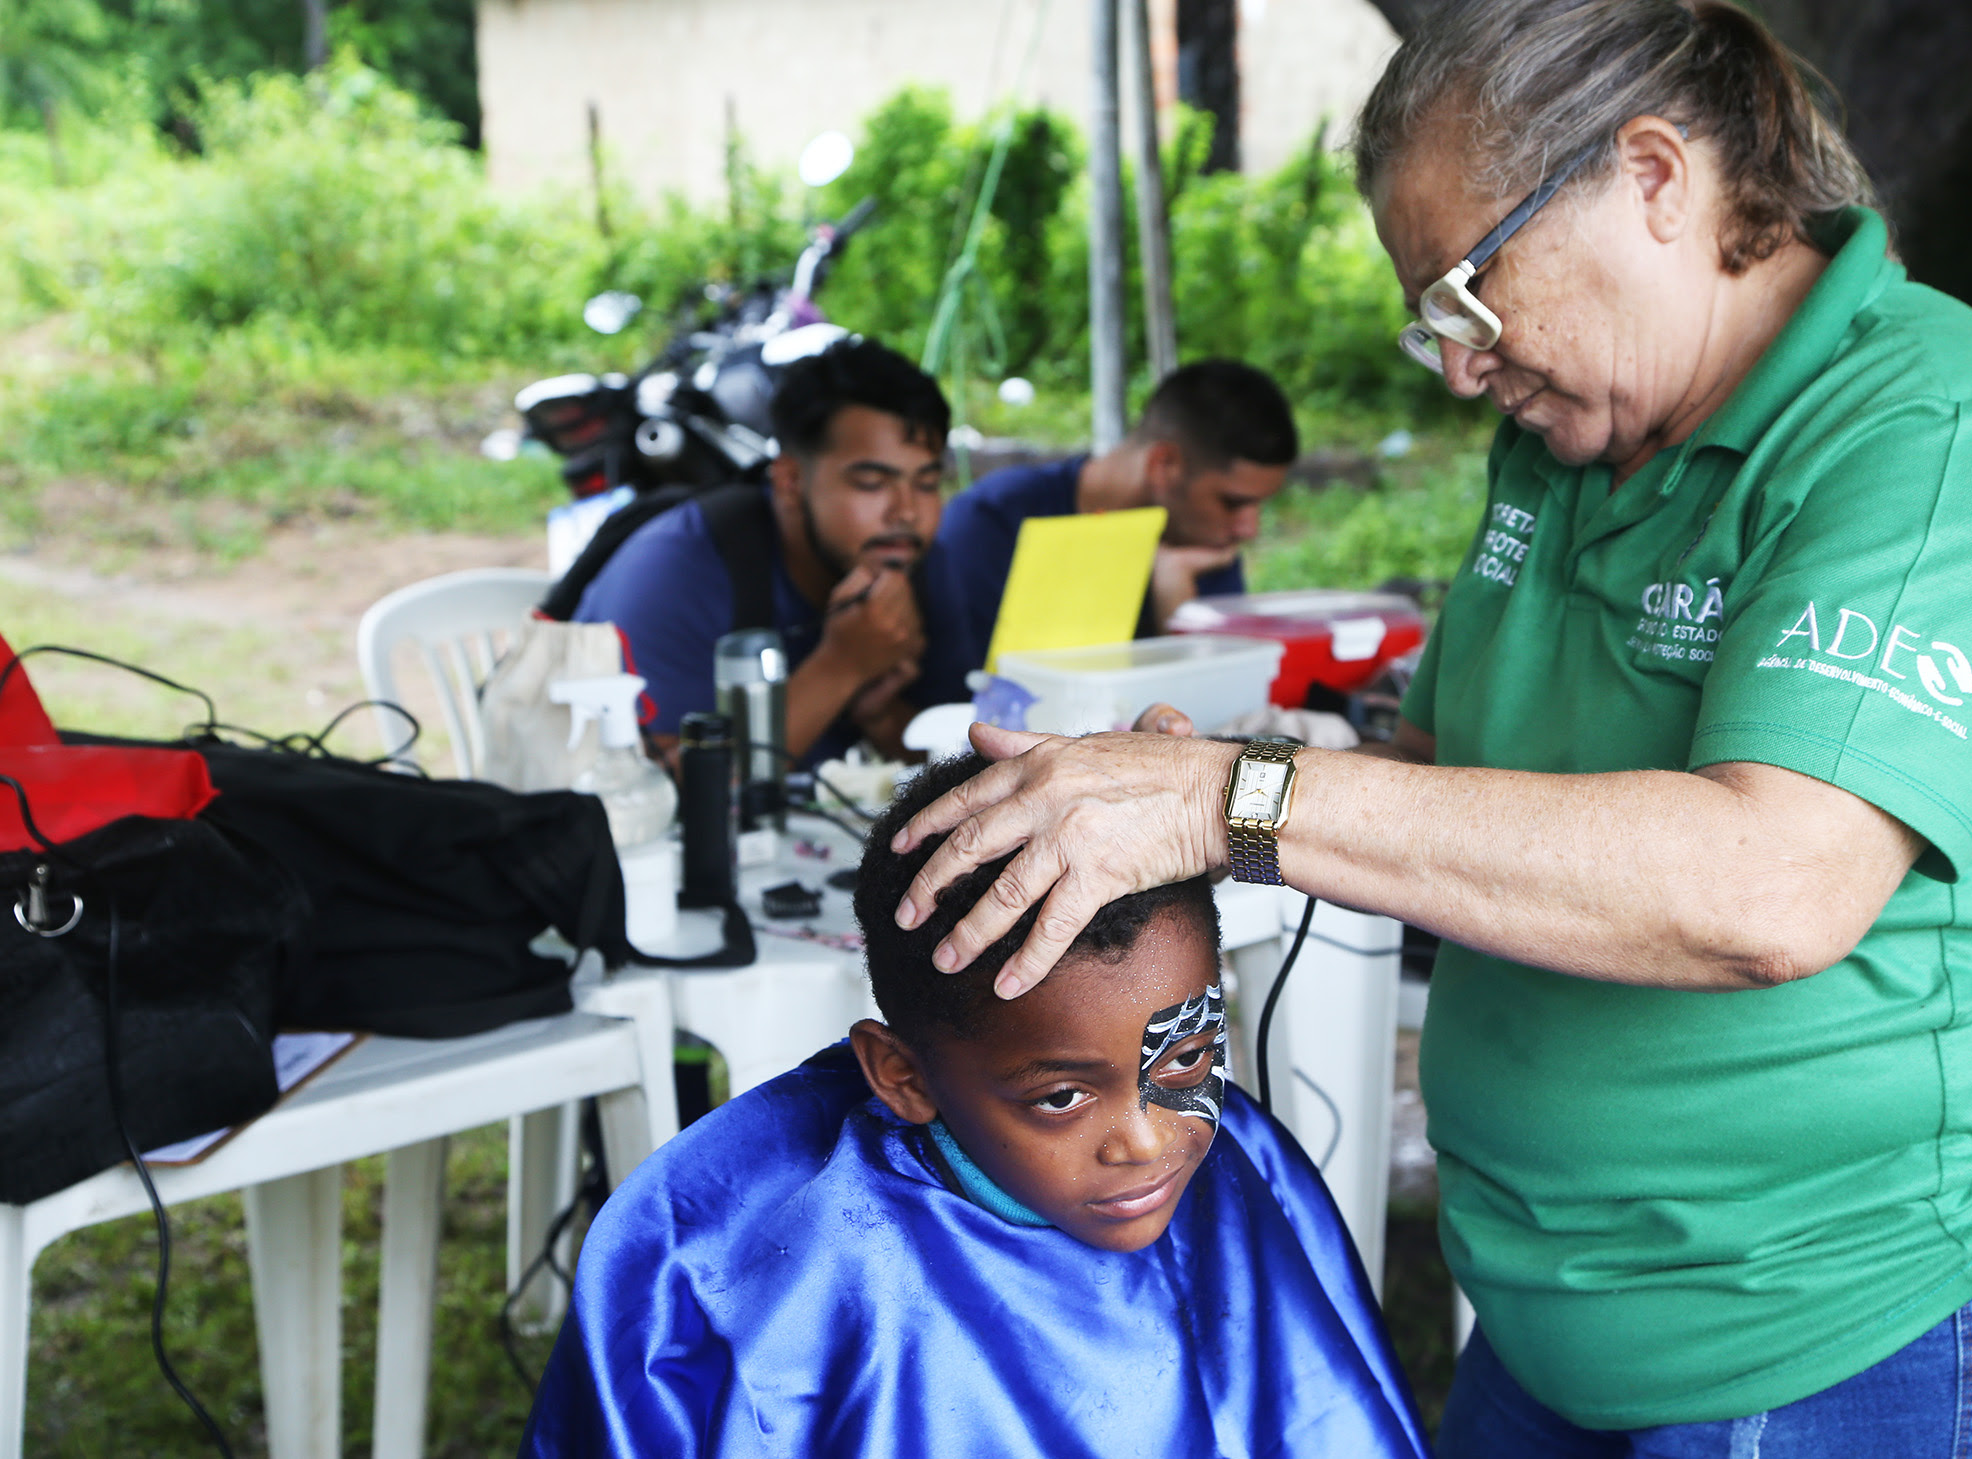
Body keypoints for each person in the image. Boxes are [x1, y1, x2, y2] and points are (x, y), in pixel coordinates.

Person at [884, 2, 1972, 1455]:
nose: (1457, 366)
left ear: (1656, 178)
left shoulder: (1939, 448)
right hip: (1552, 1313)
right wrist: (1236, 785)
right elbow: (1455, 783)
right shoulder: (1569, 433)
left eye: (1470, 298)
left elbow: (1770, 887)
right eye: (1430, 320)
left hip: (1864, 1317)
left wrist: (1238, 798)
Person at [518, 754, 1428, 1459]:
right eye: (1062, 1096)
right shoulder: (717, 1263)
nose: (1150, 1142)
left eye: (1187, 1056)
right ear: (901, 1075)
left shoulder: (1245, 1167)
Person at [572, 338, 952, 767]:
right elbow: (656, 794)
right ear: (789, 481)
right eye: (871, 483)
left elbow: (949, 754)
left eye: (926, 484)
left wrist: (880, 716)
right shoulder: (675, 571)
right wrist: (841, 666)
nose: (906, 513)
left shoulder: (911, 563)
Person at [924, 359, 1298, 690]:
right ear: (1164, 465)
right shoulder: (992, 524)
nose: (1249, 529)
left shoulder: (1200, 545)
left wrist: (1175, 599)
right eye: (1233, 503)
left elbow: (1226, 712)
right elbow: (962, 706)